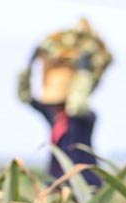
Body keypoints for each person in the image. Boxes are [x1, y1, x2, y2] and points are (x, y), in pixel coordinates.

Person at [17, 19, 112, 189]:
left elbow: (76, 106)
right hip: (58, 182)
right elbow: (25, 97)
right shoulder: (53, 115)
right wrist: (29, 66)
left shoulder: (86, 117)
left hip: (85, 183)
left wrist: (83, 73)